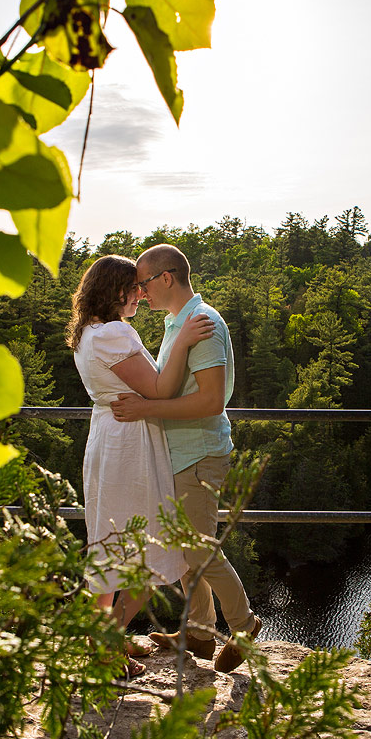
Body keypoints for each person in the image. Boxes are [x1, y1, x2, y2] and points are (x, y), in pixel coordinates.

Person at [111, 243, 262, 674]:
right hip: (179, 456)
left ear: (166, 278)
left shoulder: (203, 322)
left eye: (142, 285)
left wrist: (145, 409)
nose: (139, 294)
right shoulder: (177, 323)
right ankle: (198, 631)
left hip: (198, 455)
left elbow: (212, 401)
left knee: (198, 549)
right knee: (183, 549)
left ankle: (245, 626)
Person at [67, 254, 214, 678]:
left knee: (109, 544)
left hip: (110, 437)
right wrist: (184, 340)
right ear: (115, 291)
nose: (141, 293)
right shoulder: (114, 333)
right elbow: (160, 387)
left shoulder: (88, 332)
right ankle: (106, 648)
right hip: (129, 441)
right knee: (144, 545)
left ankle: (101, 640)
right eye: (134, 287)